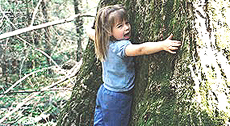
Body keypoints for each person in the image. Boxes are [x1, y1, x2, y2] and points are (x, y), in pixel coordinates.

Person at [86, 4, 181, 126]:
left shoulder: (102, 40)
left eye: (127, 23)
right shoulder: (120, 47)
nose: (126, 28)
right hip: (117, 97)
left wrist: (88, 27)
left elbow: (90, 32)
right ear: (108, 31)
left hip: (104, 92)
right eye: (120, 26)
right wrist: (162, 45)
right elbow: (141, 49)